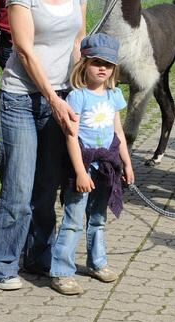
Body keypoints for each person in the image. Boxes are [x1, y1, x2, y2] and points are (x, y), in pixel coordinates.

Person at [0, 0, 90, 292]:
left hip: (63, 95)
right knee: (18, 188)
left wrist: (81, 91)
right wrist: (54, 98)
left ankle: (39, 256)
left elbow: (79, 40)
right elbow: (25, 51)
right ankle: (1, 263)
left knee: (47, 188)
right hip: (21, 98)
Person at [49, 33, 135, 296]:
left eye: (107, 64)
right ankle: (61, 272)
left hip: (107, 165)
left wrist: (127, 164)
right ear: (84, 63)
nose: (102, 68)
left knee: (98, 218)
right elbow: (71, 137)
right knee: (74, 219)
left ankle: (97, 262)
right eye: (96, 62)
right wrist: (79, 173)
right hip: (84, 165)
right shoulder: (78, 97)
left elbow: (118, 132)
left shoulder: (113, 95)